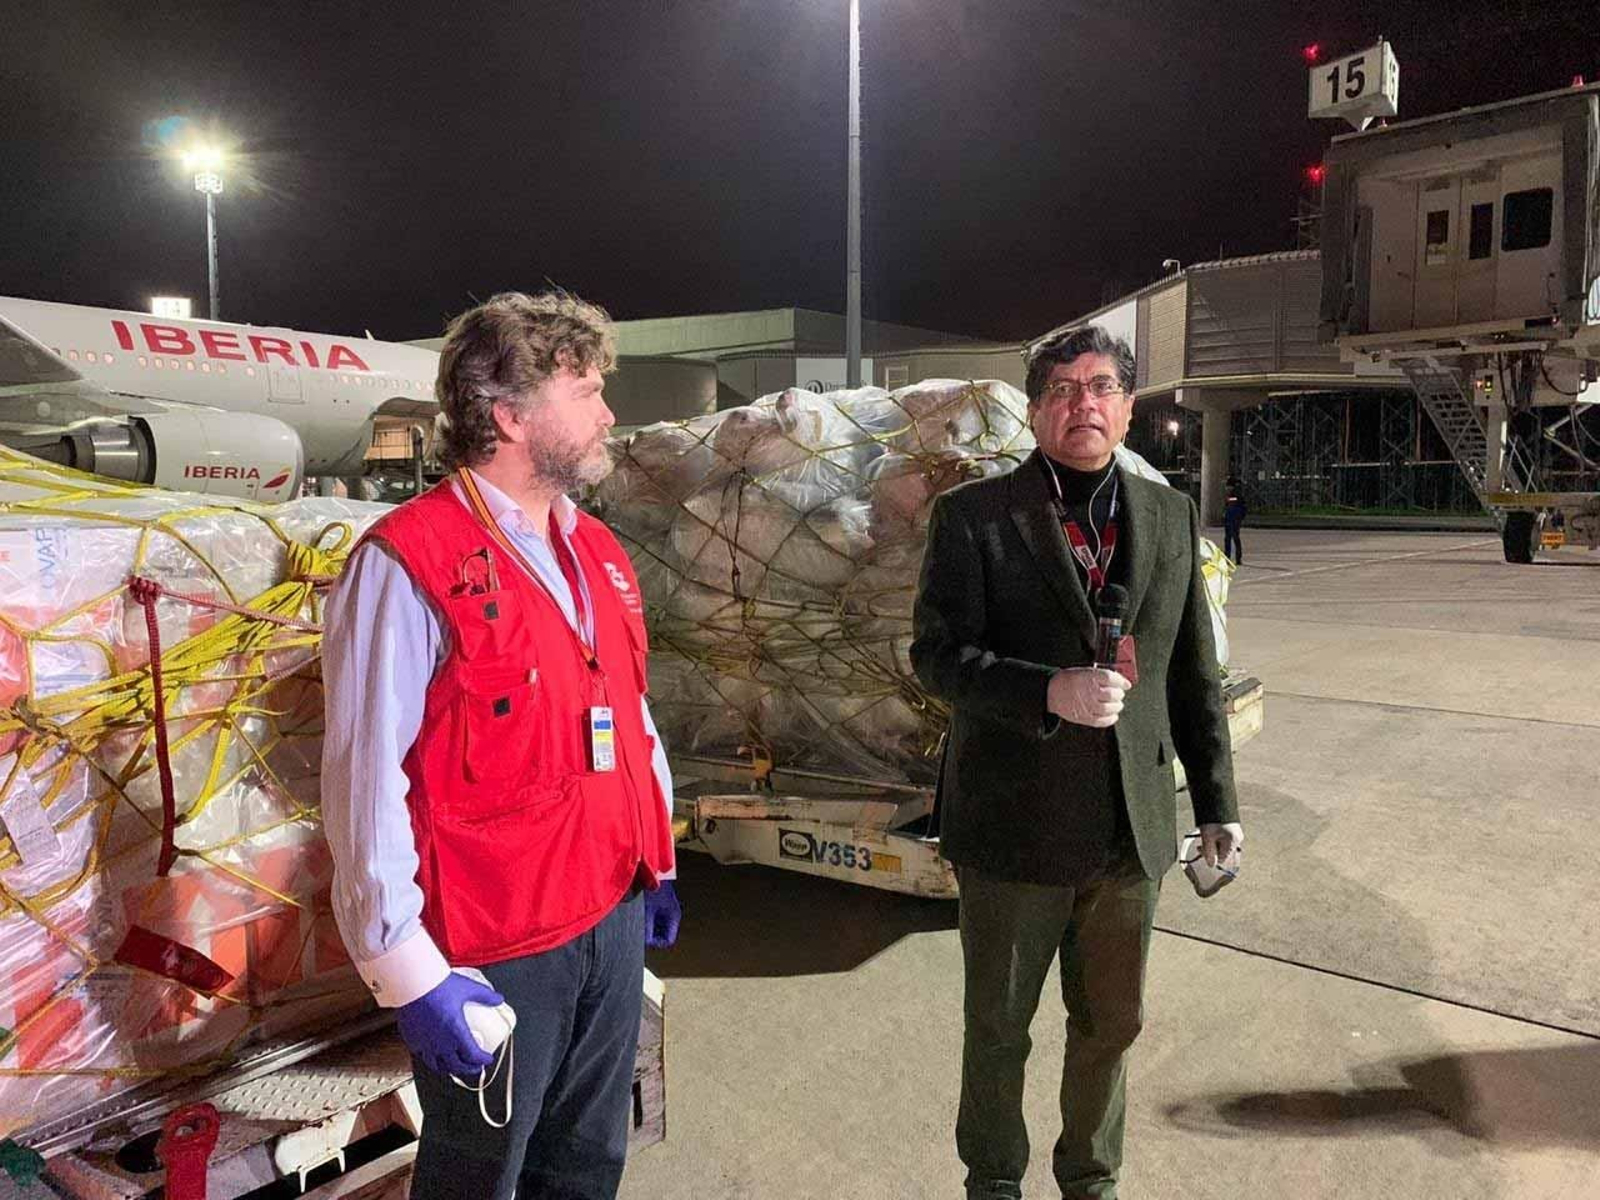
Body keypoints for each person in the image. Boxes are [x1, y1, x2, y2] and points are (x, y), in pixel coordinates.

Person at [322, 291, 681, 1200]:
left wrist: (659, 855)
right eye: (588, 391)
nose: (609, 414)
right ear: (510, 413)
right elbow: (364, 782)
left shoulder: (596, 548)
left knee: (588, 1162)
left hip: (611, 909)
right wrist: (406, 971)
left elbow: (629, 716)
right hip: (497, 947)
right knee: (482, 1179)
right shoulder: (407, 561)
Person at [910, 324, 1243, 1200]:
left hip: (1130, 834)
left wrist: (1218, 803)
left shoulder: (1169, 516)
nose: (1081, 405)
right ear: (1035, 411)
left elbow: (1191, 673)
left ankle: (1091, 1177)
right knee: (999, 1030)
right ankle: (993, 1182)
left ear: (1129, 409)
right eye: (1060, 390)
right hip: (1014, 831)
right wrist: (1044, 691)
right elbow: (937, 657)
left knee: (1111, 1027)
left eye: (1099, 387)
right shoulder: (976, 517)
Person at [1223, 476, 1246, 565]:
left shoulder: (1236, 494)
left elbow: (1238, 505)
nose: (1226, 488)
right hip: (1229, 518)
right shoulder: (1230, 495)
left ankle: (1237, 558)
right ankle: (1228, 557)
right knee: (1228, 539)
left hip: (1234, 519)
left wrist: (1240, 517)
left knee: (1235, 538)